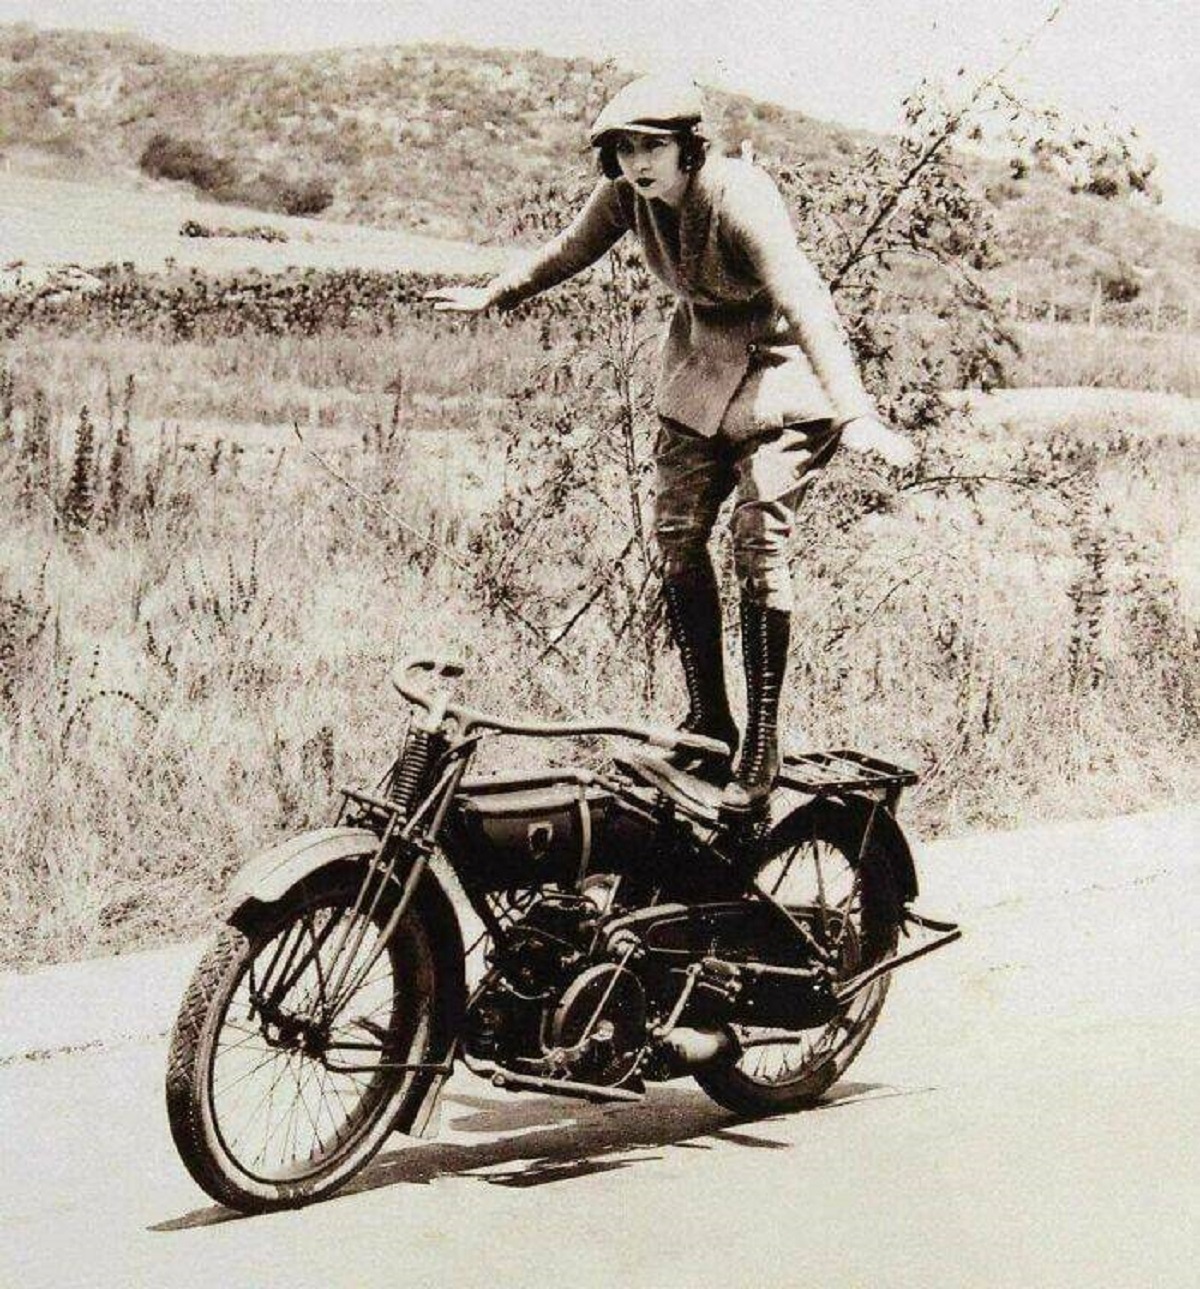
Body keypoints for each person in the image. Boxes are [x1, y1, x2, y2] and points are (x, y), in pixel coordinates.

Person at [428, 74, 915, 812]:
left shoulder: (740, 195)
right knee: (677, 536)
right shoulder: (629, 196)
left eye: (652, 146)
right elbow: (570, 249)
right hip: (698, 377)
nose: (637, 164)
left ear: (688, 147)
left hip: (782, 383)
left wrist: (855, 413)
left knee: (757, 544)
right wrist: (499, 292)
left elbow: (803, 296)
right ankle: (709, 721)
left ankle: (762, 738)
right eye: (623, 150)